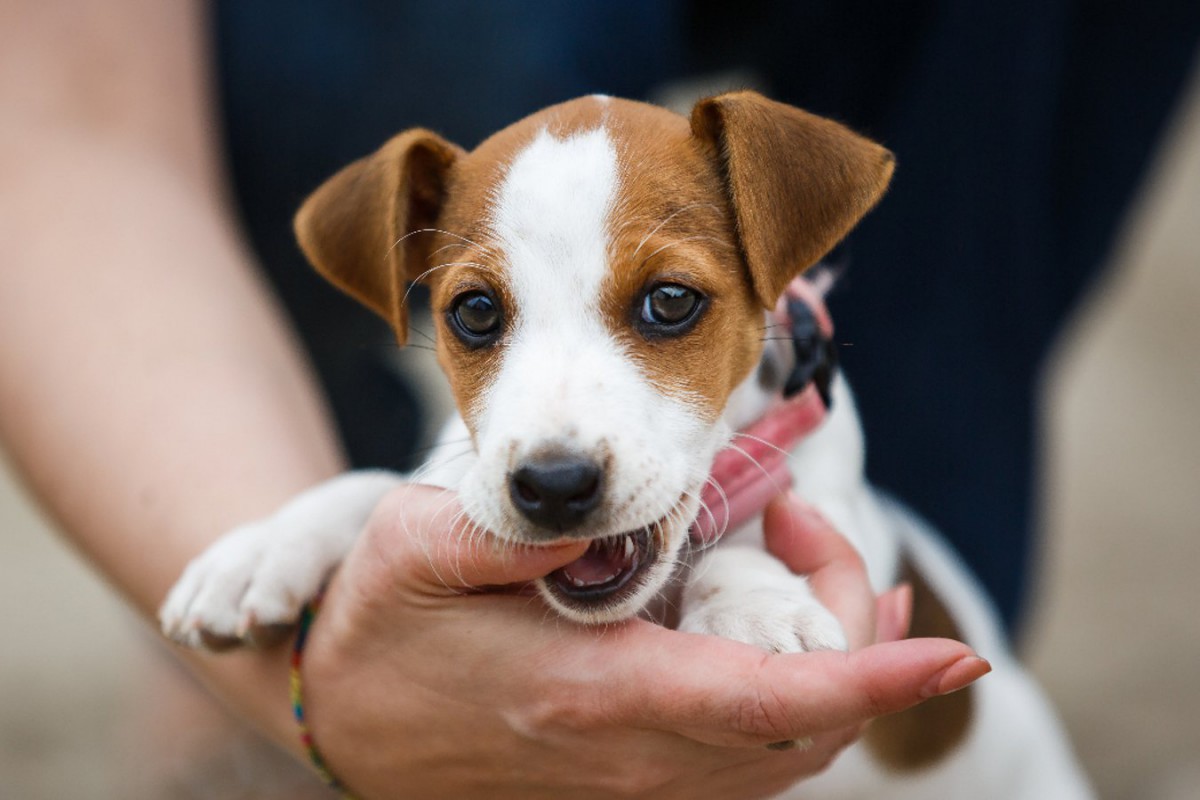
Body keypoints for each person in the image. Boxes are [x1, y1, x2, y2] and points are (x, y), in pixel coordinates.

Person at [0, 4, 987, 798]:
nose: (550, 443)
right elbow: (419, 515)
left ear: (777, 268)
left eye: (666, 303)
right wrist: (328, 520)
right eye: (480, 315)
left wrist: (735, 584)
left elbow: (816, 583)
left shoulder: (815, 435)